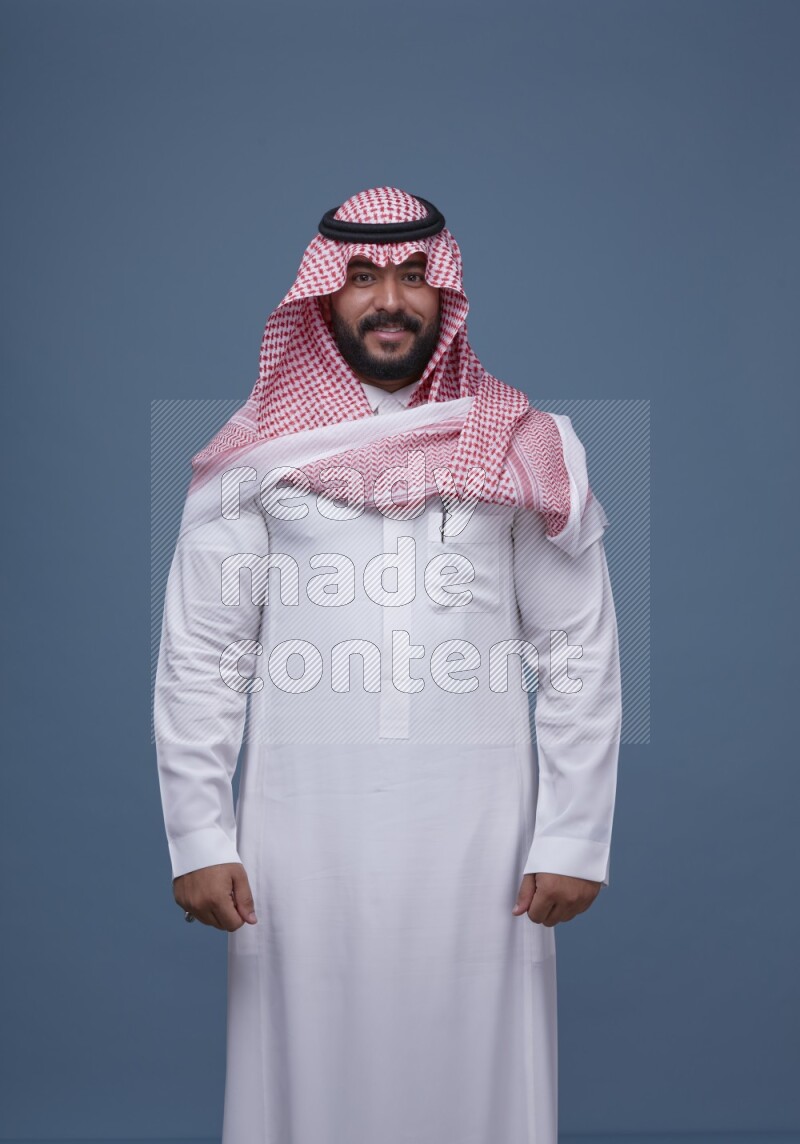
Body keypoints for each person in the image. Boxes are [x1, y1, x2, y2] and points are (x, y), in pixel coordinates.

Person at [154, 186, 622, 1144]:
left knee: (477, 1079)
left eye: (414, 276)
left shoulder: (523, 446)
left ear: (446, 296)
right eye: (362, 277)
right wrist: (199, 833)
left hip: (483, 844)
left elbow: (577, 652)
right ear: (322, 298)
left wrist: (573, 837)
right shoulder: (258, 456)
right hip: (297, 839)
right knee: (304, 1079)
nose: (390, 299)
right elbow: (202, 654)